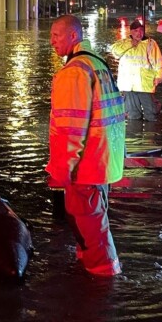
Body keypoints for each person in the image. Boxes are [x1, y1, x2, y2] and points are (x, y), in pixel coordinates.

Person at [45, 14, 126, 277]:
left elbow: (70, 128)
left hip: (85, 167)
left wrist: (61, 168)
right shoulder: (98, 65)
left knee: (90, 228)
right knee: (94, 224)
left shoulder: (73, 73)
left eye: (56, 36)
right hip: (103, 161)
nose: (52, 42)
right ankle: (95, 272)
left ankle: (101, 285)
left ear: (73, 36)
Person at [109, 18, 162, 122]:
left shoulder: (150, 44)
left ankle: (150, 136)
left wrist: (159, 75)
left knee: (151, 114)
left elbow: (158, 61)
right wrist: (130, 44)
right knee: (132, 115)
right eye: (135, 31)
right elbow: (115, 52)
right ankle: (134, 136)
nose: (139, 33)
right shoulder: (124, 42)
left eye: (141, 30)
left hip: (145, 85)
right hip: (128, 86)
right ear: (130, 32)